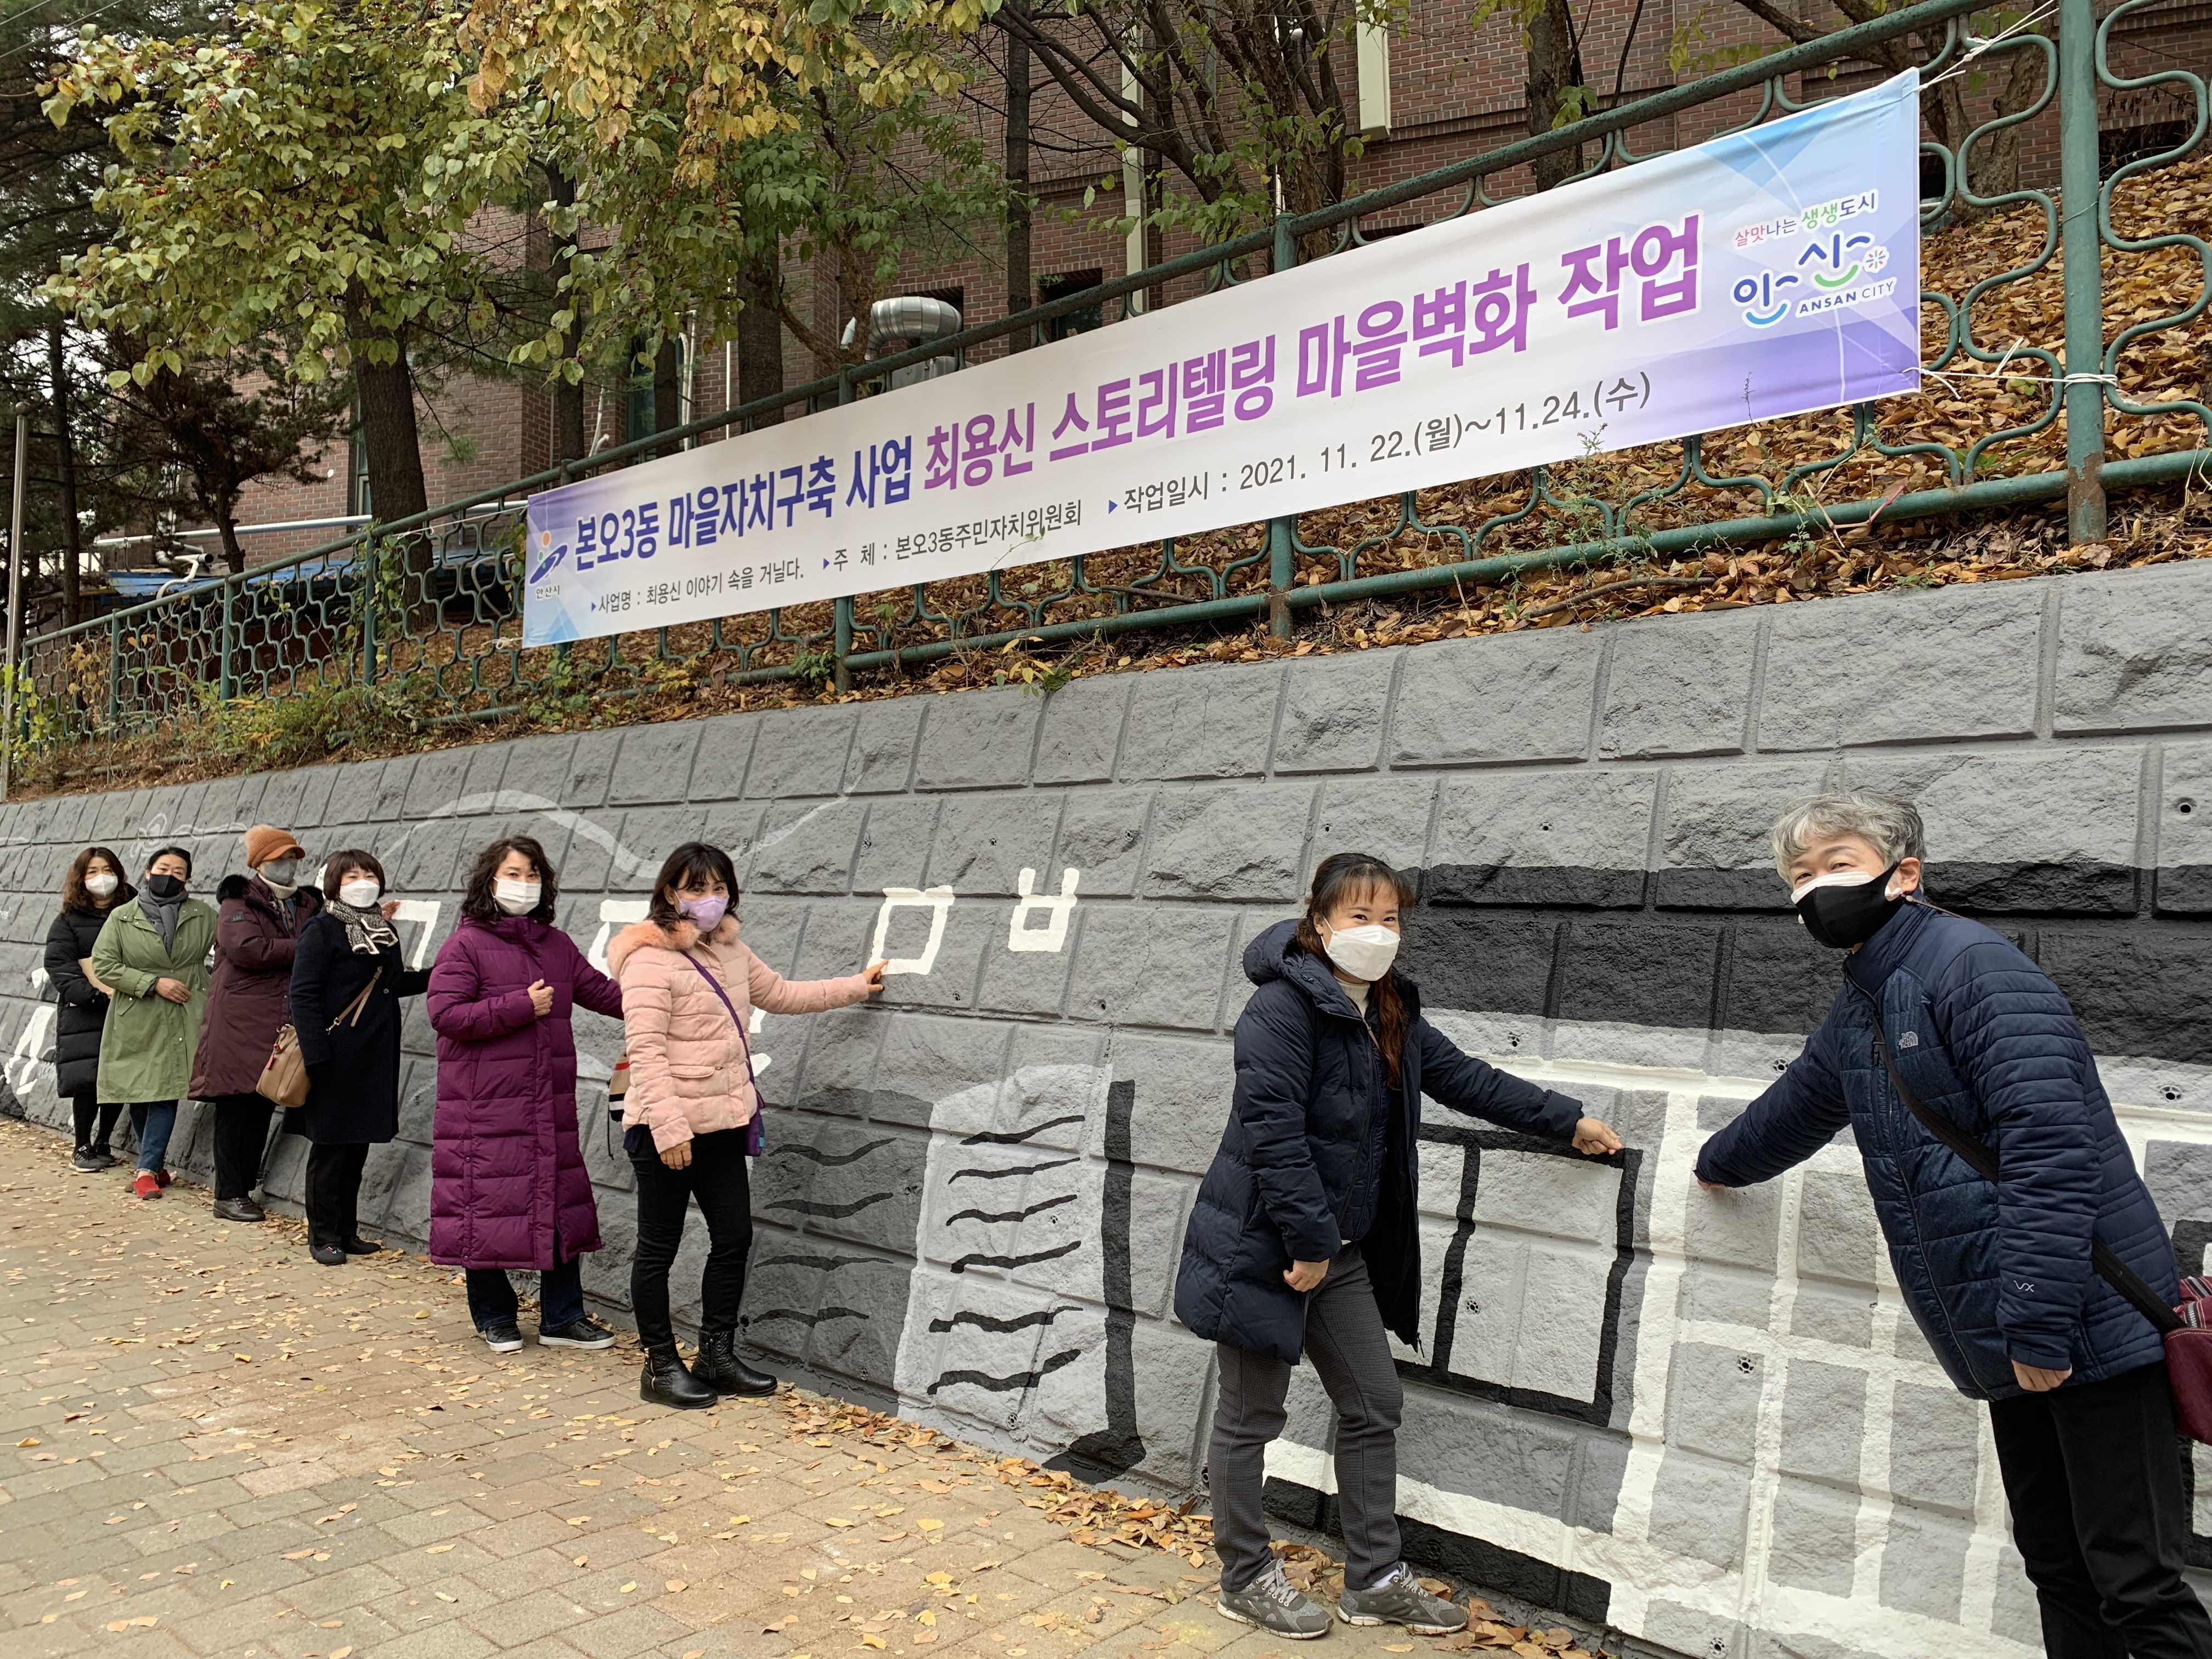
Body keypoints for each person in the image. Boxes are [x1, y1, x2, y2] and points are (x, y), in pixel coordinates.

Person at [1695, 793, 2212, 1659]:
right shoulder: (1867, 995)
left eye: (1839, 863)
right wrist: (1715, 1163)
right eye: (1801, 875)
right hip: (2012, 1339)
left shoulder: (1973, 967)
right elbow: (1797, 1108)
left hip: (2089, 1326)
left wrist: (2040, 1324)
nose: (1818, 887)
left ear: (1904, 873)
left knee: (2138, 1584)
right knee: (2057, 1564)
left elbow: (2051, 1145)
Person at [1174, 852, 1626, 1641]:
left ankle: (1374, 1578)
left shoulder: (1390, 1009)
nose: (1378, 933)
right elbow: (1272, 1135)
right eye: (1360, 916)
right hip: (1266, 1244)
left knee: (1374, 1404)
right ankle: (1245, 1575)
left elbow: (1466, 1079)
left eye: (1391, 918)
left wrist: (1566, 1119)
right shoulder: (1281, 1010)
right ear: (1318, 922)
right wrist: (1310, 1245)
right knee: (1252, 1416)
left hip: (1336, 1251)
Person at [608, 840, 887, 1408]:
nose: (709, 899)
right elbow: (646, 1050)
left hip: (723, 1123)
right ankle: (661, 1366)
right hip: (668, 1129)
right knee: (657, 1248)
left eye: (719, 888)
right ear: (669, 893)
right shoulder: (648, 961)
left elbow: (780, 994)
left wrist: (857, 986)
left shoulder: (732, 951)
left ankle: (715, 1354)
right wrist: (669, 1128)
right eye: (696, 888)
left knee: (733, 1237)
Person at [427, 835, 625, 1353]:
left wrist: (671, 999)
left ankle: (564, 1317)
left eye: (532, 874)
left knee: (560, 1205)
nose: (524, 884)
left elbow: (604, 993)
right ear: (490, 882)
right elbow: (445, 1016)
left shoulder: (556, 946)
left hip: (547, 1106)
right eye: (513, 874)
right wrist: (519, 1006)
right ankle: (494, 1317)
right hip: (484, 1110)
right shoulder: (465, 945)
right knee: (484, 1208)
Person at [287, 850, 430, 1267]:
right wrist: (317, 1055)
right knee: (331, 1148)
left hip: (373, 1053)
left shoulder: (382, 930)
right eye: (352, 875)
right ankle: (323, 1235)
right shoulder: (323, 929)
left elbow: (395, 982)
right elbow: (303, 994)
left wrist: (444, 972)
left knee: (356, 1148)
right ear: (335, 883)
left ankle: (347, 1231)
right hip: (333, 1055)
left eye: (369, 873)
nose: (363, 880)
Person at [190, 825, 323, 1222]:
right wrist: (310, 948)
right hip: (238, 1022)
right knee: (236, 1107)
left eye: (292, 856)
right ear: (259, 863)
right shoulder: (238, 902)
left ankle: (244, 1188)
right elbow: (249, 949)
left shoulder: (306, 903)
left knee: (264, 1102)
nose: (287, 864)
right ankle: (228, 1194)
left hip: (281, 1020)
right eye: (278, 858)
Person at [91, 846, 217, 1201]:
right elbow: (104, 964)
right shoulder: (122, 918)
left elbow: (231, 951)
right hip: (138, 1014)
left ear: (188, 879)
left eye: (179, 872)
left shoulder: (204, 915)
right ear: (147, 872)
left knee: (164, 1089)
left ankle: (146, 1171)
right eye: (164, 868)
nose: (170, 876)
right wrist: (152, 982)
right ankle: (155, 1163)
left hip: (183, 1013)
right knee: (140, 1092)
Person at [46, 847, 132, 1172]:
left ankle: (104, 1141)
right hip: (86, 1011)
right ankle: (82, 1145)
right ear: (81, 878)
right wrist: (93, 996)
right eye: (92, 872)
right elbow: (60, 965)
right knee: (88, 1078)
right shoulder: (68, 920)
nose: (101, 878)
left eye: (107, 870)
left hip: (127, 1006)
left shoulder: (134, 911)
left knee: (120, 1076)